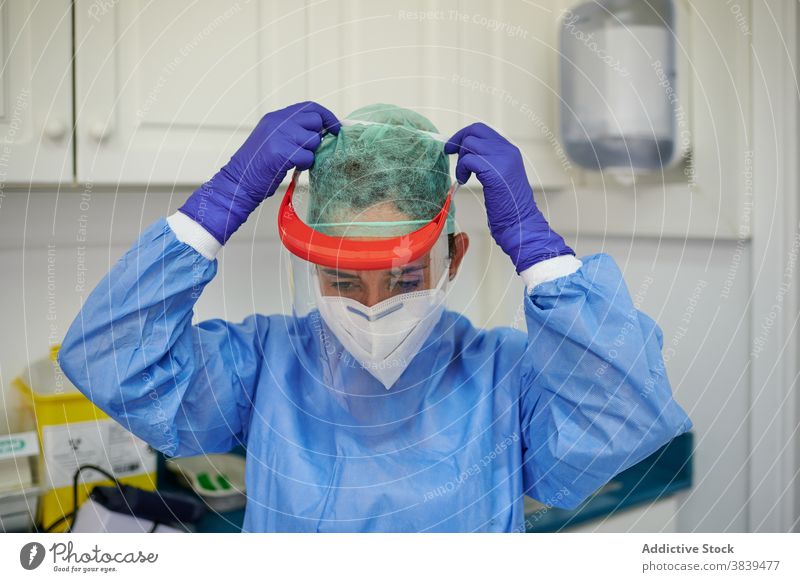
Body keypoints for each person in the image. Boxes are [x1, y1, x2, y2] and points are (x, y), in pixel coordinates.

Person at [59, 102, 692, 532]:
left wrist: (540, 251)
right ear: (312, 269)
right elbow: (112, 362)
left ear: (454, 258)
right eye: (341, 277)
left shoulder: (505, 377)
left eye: (404, 276)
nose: (372, 306)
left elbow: (625, 417)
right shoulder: (265, 366)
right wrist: (217, 205)